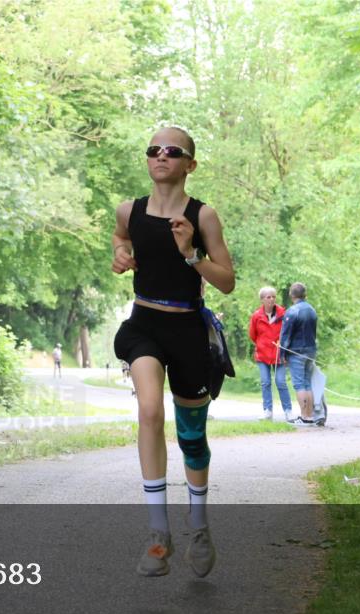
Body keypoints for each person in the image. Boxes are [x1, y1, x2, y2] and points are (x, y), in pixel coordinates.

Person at [112, 127, 235, 578]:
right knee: (149, 410)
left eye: (172, 151)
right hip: (144, 324)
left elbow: (226, 281)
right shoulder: (130, 210)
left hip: (187, 328)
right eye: (153, 150)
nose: (161, 156)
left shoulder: (203, 216)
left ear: (190, 165)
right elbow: (120, 237)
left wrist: (189, 254)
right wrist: (121, 255)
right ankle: (158, 534)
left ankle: (199, 526)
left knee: (191, 436)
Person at [248, 287, 294, 421]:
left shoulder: (283, 314)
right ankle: (267, 411)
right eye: (268, 297)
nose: (272, 299)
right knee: (265, 382)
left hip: (279, 354)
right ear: (262, 299)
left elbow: (288, 334)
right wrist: (263, 344)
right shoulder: (256, 316)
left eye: (273, 296)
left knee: (280, 382)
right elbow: (253, 335)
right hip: (262, 355)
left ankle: (288, 411)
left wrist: (283, 347)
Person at [278, 283, 318, 424]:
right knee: (307, 383)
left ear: (291, 294)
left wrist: (282, 354)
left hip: (296, 352)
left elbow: (286, 335)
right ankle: (310, 416)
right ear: (305, 294)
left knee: (299, 384)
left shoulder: (292, 311)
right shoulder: (312, 310)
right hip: (311, 351)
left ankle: (304, 416)